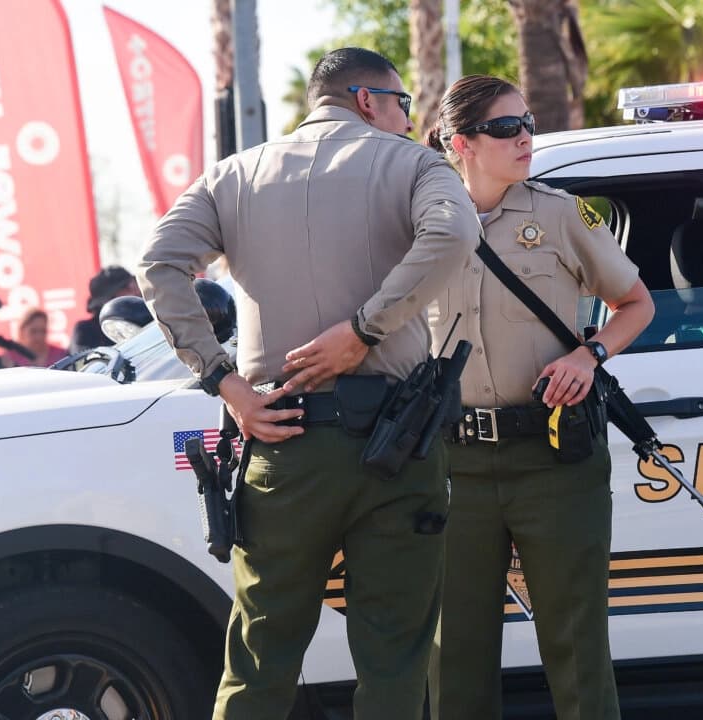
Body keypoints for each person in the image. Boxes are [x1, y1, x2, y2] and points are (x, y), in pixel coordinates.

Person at [138, 47, 480, 720]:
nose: (408, 119)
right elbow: (455, 231)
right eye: (403, 102)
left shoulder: (235, 175)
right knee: (395, 659)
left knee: (261, 657)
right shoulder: (413, 163)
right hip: (397, 445)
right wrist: (365, 331)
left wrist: (227, 385)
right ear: (366, 100)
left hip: (283, 441)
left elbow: (159, 265)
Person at [423, 75, 655, 720]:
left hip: (554, 458)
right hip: (453, 463)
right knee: (454, 654)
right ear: (459, 142)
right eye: (505, 127)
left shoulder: (559, 212)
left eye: (527, 124)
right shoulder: (419, 223)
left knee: (576, 645)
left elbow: (636, 303)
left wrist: (591, 353)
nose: (524, 137)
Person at [69, 265, 141, 353]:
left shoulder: (149, 313)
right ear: (107, 300)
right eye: (126, 288)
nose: (136, 291)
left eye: (135, 284)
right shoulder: (87, 331)